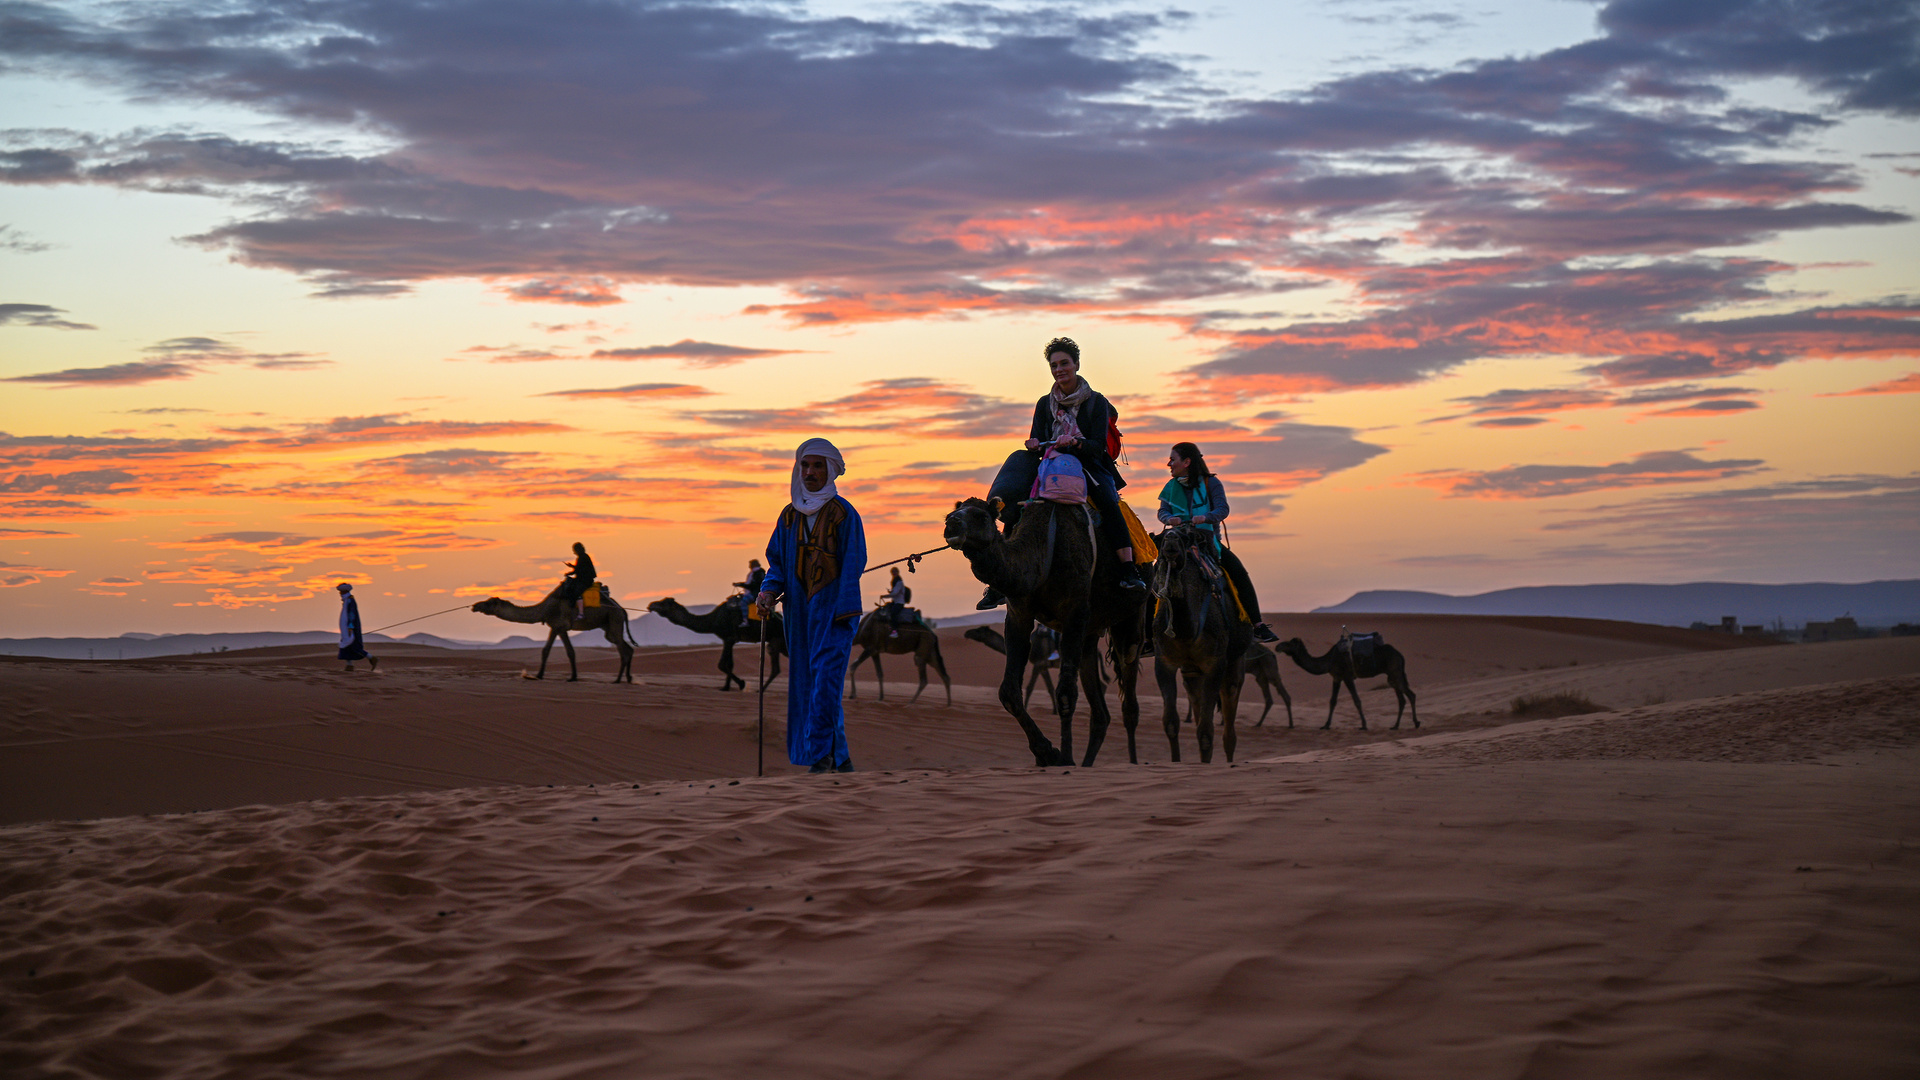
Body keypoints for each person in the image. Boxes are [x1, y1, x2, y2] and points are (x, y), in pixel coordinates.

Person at [978, 336, 1145, 609]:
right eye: (1054, 365)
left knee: (1109, 505)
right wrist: (1032, 444)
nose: (1059, 369)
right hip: (1051, 464)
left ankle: (1128, 571)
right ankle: (1000, 581)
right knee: (1019, 505)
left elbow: (1097, 445)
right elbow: (1036, 439)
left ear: (1076, 364)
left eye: (1064, 363)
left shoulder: (1096, 402)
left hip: (1089, 464)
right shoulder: (1045, 403)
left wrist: (1075, 442)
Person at [755, 438, 867, 773]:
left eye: (818, 465)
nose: (810, 472)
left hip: (835, 612)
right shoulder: (789, 517)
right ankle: (841, 758)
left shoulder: (844, 514)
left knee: (824, 683)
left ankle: (820, 757)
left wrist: (843, 609)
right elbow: (777, 564)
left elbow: (855, 561)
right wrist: (766, 592)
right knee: (811, 684)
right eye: (805, 465)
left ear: (831, 470)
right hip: (799, 616)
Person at [1158, 442, 1279, 643]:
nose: (1169, 464)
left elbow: (1223, 509)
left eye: (1173, 459)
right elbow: (1162, 511)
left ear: (1187, 462)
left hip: (1206, 541)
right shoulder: (1170, 486)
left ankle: (1257, 625)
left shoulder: (1211, 483)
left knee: (1238, 573)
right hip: (1177, 541)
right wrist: (1168, 519)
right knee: (1156, 576)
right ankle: (1148, 633)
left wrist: (1205, 518)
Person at [337, 582, 378, 672]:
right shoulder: (347, 601)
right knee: (346, 645)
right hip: (346, 628)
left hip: (351, 627)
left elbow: (352, 614)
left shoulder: (350, 601)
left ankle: (371, 658)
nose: (340, 594)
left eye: (341, 592)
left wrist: (350, 626)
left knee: (354, 646)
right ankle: (349, 665)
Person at [559, 541, 596, 616]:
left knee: (576, 592)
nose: (574, 552)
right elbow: (580, 568)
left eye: (574, 550)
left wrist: (569, 573)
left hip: (585, 581)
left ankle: (581, 613)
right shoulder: (583, 557)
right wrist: (572, 566)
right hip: (583, 580)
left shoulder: (582, 557)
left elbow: (578, 570)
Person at [733, 559, 766, 626]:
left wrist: (740, 585)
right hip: (756, 593)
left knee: (743, 602)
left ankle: (745, 620)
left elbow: (752, 586)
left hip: (756, 594)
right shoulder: (758, 573)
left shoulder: (757, 574)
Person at [880, 566, 910, 637]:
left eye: (895, 572)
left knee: (894, 613)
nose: (893, 573)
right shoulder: (895, 581)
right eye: (892, 572)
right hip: (895, 602)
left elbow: (895, 593)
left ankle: (895, 630)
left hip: (899, 603)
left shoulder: (899, 582)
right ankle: (890, 626)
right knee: (887, 608)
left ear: (897, 572)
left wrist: (885, 596)